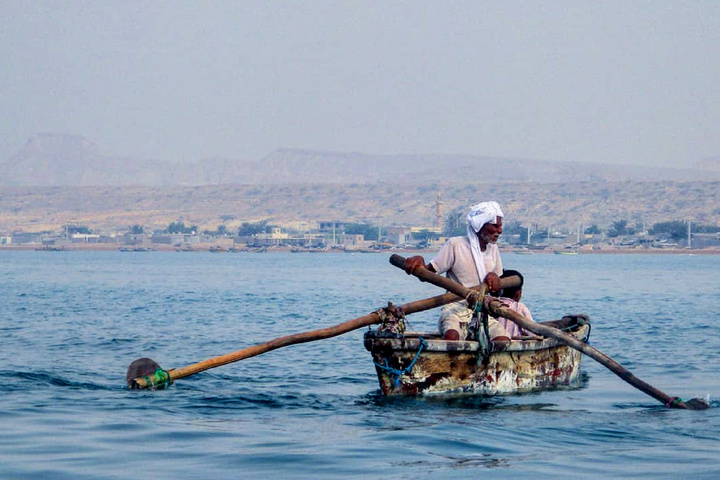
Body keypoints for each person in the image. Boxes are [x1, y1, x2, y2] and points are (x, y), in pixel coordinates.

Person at [403, 201, 512, 344]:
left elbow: (497, 293)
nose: (500, 231)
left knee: (503, 341)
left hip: (482, 311)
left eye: (501, 226)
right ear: (480, 225)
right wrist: (418, 262)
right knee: (451, 338)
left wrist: (495, 280)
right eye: (495, 226)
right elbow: (428, 274)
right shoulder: (456, 245)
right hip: (455, 308)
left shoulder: (494, 250)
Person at [489, 270, 537, 338]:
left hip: (494, 343)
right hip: (515, 343)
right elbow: (532, 331)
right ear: (518, 294)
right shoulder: (520, 307)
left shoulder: (490, 305)